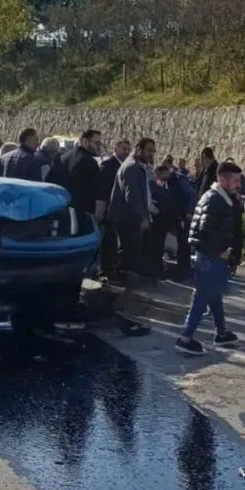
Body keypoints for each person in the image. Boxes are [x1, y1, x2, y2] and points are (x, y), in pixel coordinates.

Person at [175, 161, 243, 356]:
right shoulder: (215, 200)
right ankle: (185, 338)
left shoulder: (222, 199)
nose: (238, 184)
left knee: (214, 295)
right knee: (202, 296)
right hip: (210, 258)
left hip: (212, 257)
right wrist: (217, 252)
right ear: (222, 180)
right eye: (235, 180)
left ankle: (221, 333)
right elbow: (205, 229)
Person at [107, 138, 157, 336]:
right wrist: (143, 217)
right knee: (131, 259)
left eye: (153, 151)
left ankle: (123, 303)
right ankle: (121, 305)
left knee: (132, 258)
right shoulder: (133, 168)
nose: (151, 154)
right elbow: (132, 197)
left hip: (128, 220)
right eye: (148, 150)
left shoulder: (136, 167)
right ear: (139, 150)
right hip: (128, 221)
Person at [99, 138, 131, 279]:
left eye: (128, 149)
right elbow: (105, 189)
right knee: (109, 242)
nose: (126, 152)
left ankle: (113, 268)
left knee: (114, 242)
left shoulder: (125, 166)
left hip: (119, 211)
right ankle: (106, 271)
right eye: (123, 149)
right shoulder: (108, 165)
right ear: (115, 149)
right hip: (109, 210)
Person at [57, 130, 105, 219]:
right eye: (97, 143)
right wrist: (99, 213)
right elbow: (99, 191)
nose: (99, 147)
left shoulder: (65, 156)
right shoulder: (88, 162)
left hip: (65, 208)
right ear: (85, 141)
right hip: (83, 213)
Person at [145, 164, 178, 281]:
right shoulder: (156, 188)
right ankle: (154, 273)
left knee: (155, 248)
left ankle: (154, 272)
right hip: (159, 222)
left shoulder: (155, 188)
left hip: (159, 222)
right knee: (156, 248)